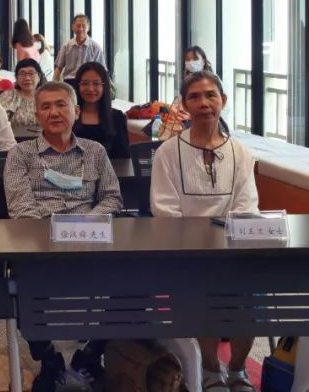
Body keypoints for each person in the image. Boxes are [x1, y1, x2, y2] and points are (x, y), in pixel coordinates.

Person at [3, 80, 123, 391]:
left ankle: (92, 354)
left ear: (76, 111)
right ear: (36, 115)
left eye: (61, 105)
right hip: (40, 246)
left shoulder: (95, 152)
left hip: (91, 242)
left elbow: (112, 198)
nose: (54, 112)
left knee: (131, 280)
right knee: (23, 282)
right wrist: (55, 237)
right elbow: (21, 209)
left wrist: (85, 226)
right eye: (45, 107)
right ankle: (48, 358)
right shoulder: (20, 154)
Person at [151, 71, 259, 392]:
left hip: (233, 250)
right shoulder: (168, 152)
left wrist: (224, 243)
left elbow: (246, 206)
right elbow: (165, 210)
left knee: (249, 302)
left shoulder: (241, 152)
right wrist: (199, 245)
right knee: (204, 296)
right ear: (185, 105)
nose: (204, 103)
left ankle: (237, 369)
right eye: (194, 97)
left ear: (223, 100)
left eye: (211, 95)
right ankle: (211, 369)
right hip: (187, 253)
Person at [73, 62, 129, 160]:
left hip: (110, 169)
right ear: (78, 86)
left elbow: (123, 157)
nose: (90, 89)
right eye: (85, 83)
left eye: (96, 83)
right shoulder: (69, 115)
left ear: (104, 86)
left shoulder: (117, 117)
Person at [54, 14, 105, 81]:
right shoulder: (66, 46)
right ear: (73, 27)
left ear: (88, 28)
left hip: (88, 81)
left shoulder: (95, 47)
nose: (81, 29)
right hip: (70, 81)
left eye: (83, 26)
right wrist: (54, 84)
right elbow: (58, 68)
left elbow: (102, 69)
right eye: (78, 26)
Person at [0, 58, 45, 126]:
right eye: (22, 74)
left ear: (39, 77)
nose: (27, 78)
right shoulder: (9, 96)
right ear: (16, 78)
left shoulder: (47, 97)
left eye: (31, 73)